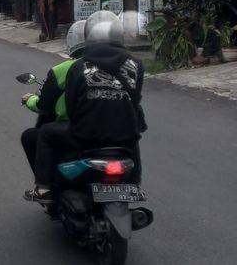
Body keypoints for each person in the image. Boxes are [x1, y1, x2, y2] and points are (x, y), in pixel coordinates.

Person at [25, 11, 146, 203]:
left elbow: (73, 106)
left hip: (86, 136)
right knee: (133, 137)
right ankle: (135, 184)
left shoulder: (77, 67)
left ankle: (43, 188)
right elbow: (135, 99)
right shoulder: (136, 65)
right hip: (124, 135)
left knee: (47, 132)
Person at [20, 20, 86, 176]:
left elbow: (43, 105)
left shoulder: (63, 69)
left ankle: (44, 185)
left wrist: (29, 99)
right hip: (115, 131)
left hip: (76, 129)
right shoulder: (120, 66)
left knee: (37, 135)